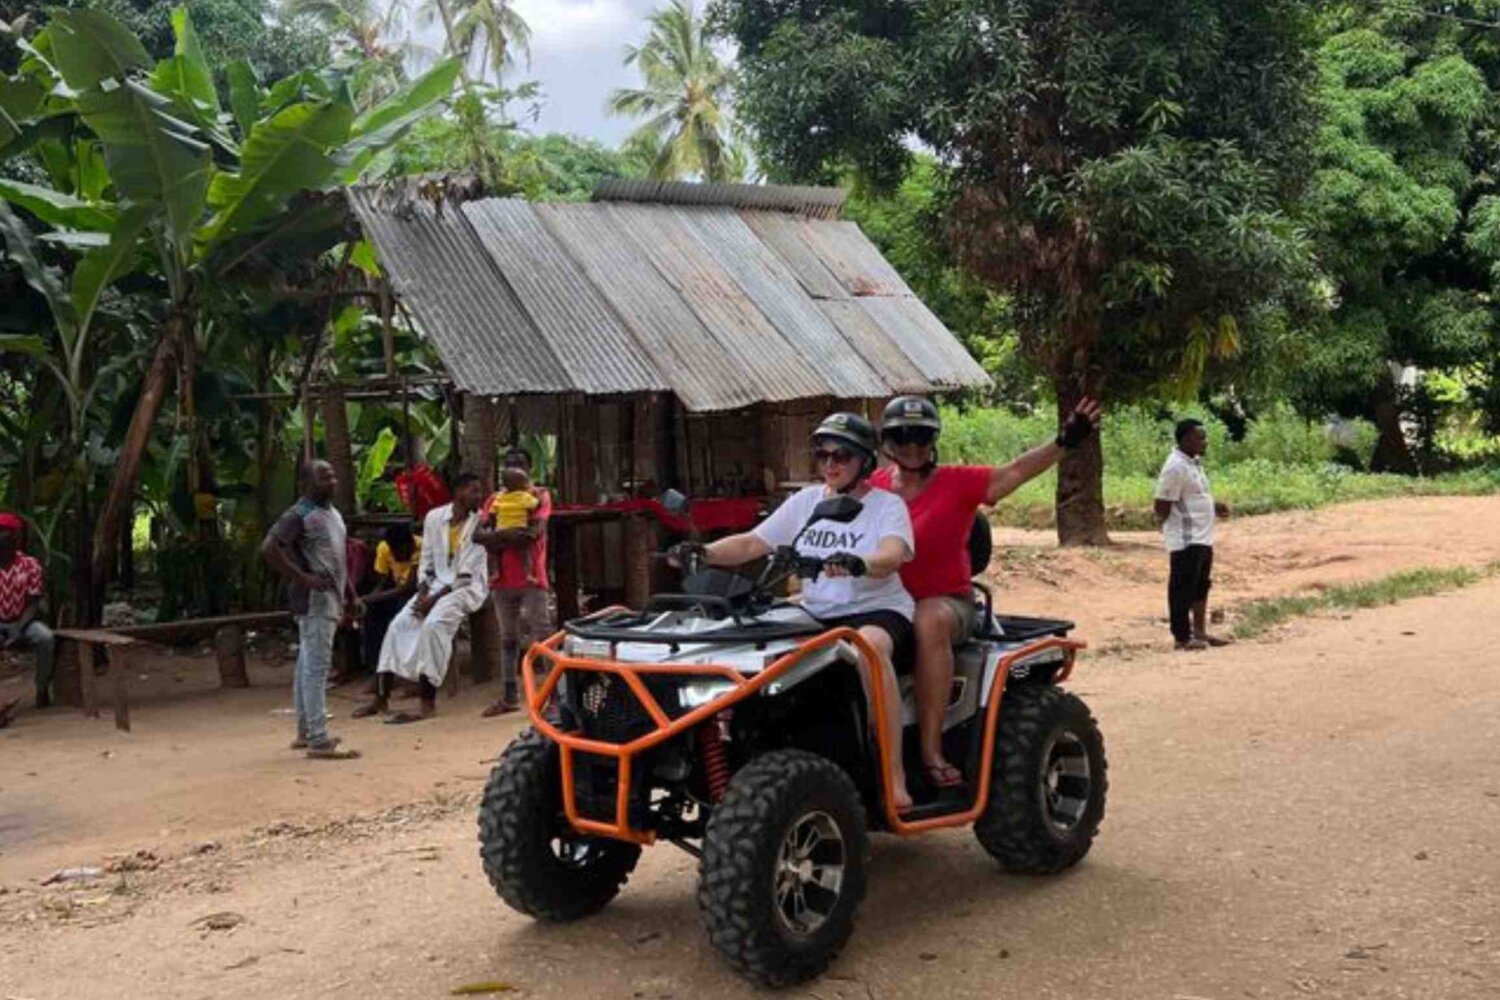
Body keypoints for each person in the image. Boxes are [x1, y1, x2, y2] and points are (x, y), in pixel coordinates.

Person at [675, 413, 917, 811]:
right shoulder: (806, 502)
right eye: (823, 455)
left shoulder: (885, 506)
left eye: (842, 455)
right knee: (746, 644)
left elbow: (892, 554)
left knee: (870, 649)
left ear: (864, 462)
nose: (830, 464)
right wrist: (704, 554)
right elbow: (754, 543)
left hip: (875, 610)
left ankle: (893, 776)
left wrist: (859, 562)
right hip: (816, 612)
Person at [870, 395, 1101, 790]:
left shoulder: (957, 482)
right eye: (902, 437)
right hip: (884, 603)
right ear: (886, 441)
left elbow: (1014, 473)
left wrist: (1064, 441)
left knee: (930, 619)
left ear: (933, 441)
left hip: (947, 602)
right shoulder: (871, 488)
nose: (912, 446)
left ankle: (930, 750)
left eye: (921, 438)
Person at [358, 472, 489, 723]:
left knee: (433, 625)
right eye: (474, 490)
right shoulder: (434, 518)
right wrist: (421, 594)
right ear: (459, 492)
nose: (479, 496)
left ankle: (427, 702)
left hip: (465, 587)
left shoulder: (480, 523)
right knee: (398, 625)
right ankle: (381, 696)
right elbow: (426, 562)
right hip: (434, 585)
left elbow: (466, 574)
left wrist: (433, 601)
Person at [261, 461, 361, 759]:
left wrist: (351, 594)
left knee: (307, 664)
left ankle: (306, 731)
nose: (332, 480)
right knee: (317, 668)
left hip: (330, 596)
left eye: (332, 475)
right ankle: (318, 739)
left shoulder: (332, 513)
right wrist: (302, 577)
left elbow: (337, 559)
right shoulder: (300, 514)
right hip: (315, 600)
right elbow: (270, 547)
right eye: (323, 477)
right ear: (306, 483)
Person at [478, 448, 553, 717]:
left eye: (519, 463)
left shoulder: (539, 495)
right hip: (502, 580)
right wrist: (514, 534)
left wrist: (500, 536)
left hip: (532, 578)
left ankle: (554, 698)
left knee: (542, 636)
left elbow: (533, 535)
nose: (513, 468)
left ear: (529, 468)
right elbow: (479, 535)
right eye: (509, 464)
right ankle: (509, 696)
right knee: (508, 638)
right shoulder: (494, 499)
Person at [1154, 419, 1229, 651]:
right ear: (1186, 439)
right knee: (1182, 587)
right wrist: (1171, 528)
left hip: (1202, 536)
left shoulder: (1194, 463)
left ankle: (1200, 632)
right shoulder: (1175, 467)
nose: (1204, 442)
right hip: (1186, 538)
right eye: (1200, 437)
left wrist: (1213, 506)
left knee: (1200, 586)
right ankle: (1182, 637)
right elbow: (1161, 504)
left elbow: (1194, 496)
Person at [0, 513, 53, 727]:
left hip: (24, 620)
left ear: (14, 537)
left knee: (46, 638)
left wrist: (17, 628)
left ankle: (41, 688)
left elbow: (33, 602)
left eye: (4, 532)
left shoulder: (30, 565)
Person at [359, 521, 422, 673]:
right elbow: (381, 582)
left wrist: (367, 599)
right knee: (371, 614)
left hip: (418, 594)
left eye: (398, 551)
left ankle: (406, 669)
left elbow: (407, 588)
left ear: (409, 544)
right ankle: (377, 668)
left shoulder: (422, 547)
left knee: (402, 614)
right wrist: (366, 601)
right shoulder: (384, 548)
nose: (394, 555)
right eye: (392, 551)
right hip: (396, 593)